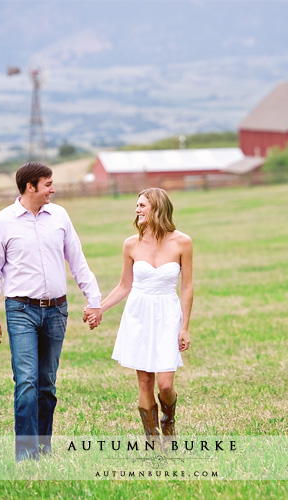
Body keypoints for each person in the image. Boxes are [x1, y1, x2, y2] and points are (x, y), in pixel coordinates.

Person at [0, 161, 102, 461]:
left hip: (57, 311)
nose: (53, 189)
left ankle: (43, 449)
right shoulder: (2, 222)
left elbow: (77, 260)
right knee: (26, 382)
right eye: (48, 184)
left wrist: (94, 298)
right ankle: (26, 454)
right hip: (20, 310)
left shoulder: (59, 216)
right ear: (29, 187)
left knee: (47, 385)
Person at [90, 187, 193, 440]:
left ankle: (169, 420)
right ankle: (153, 439)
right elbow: (124, 285)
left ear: (157, 208)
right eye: (137, 205)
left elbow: (187, 286)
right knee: (145, 382)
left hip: (168, 313)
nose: (137, 210)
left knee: (165, 384)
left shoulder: (183, 242)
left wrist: (185, 327)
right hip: (138, 314)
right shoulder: (131, 244)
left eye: (142, 206)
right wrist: (99, 308)